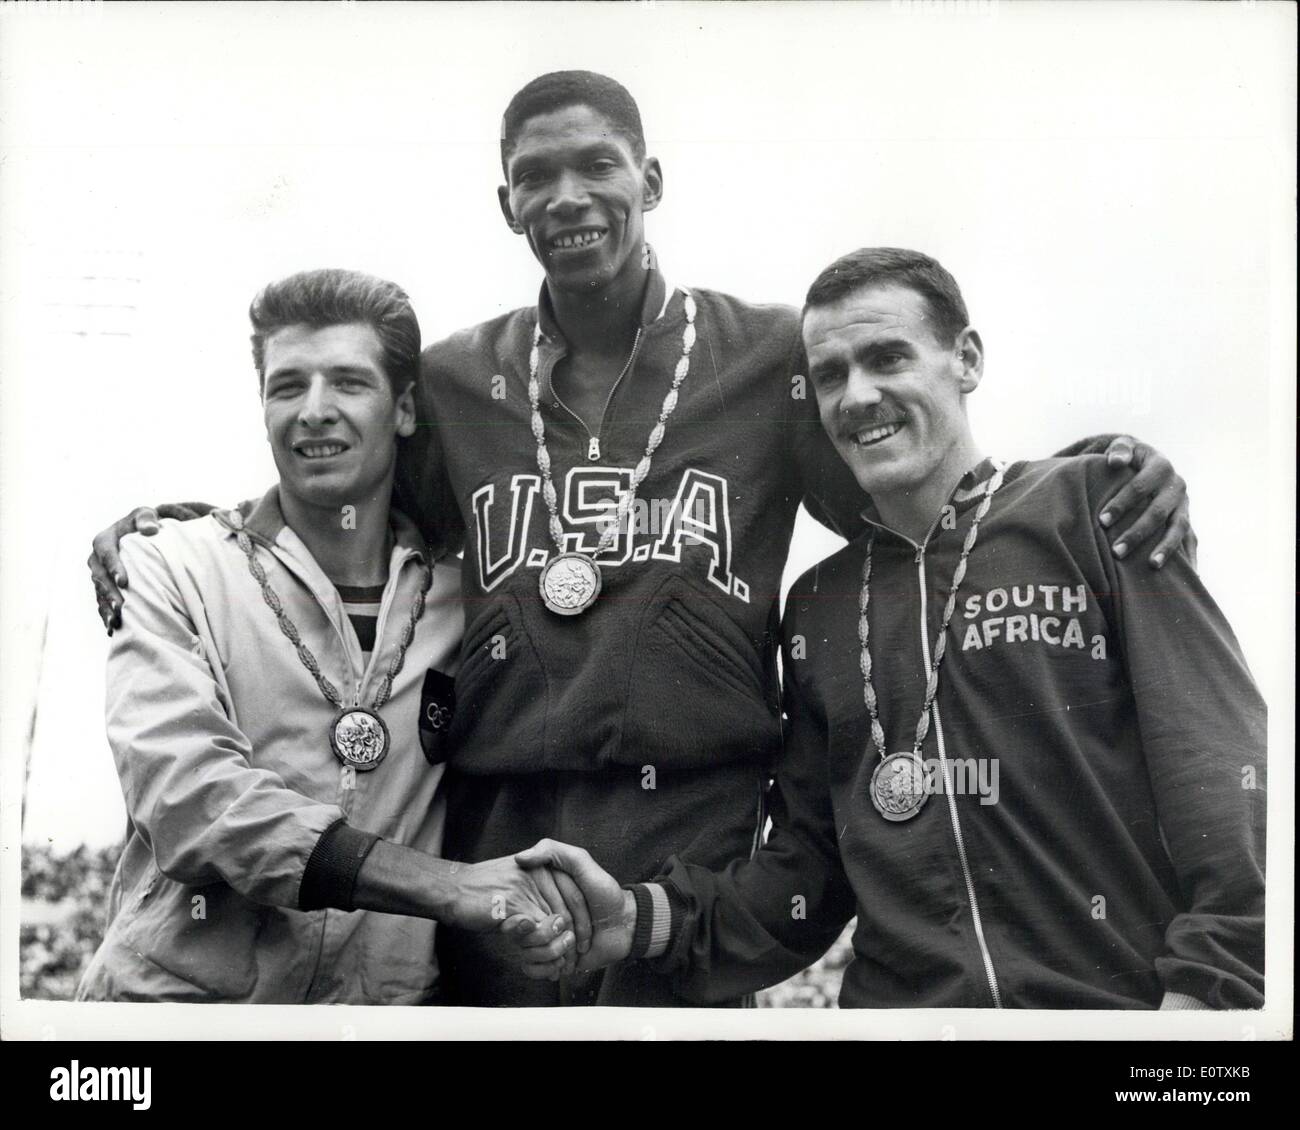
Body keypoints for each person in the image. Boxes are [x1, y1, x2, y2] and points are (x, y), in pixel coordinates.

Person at [88, 74, 1193, 1007]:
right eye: (535, 176)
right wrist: (196, 525)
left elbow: (905, 491)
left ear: (649, 181)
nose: (568, 196)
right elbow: (353, 497)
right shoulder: (463, 378)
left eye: (596, 165)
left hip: (692, 858)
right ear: (505, 202)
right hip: (494, 854)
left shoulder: (770, 357)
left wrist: (1075, 475)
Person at [511, 248, 1266, 1010]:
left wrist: (1210, 994)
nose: (857, 396)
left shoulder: (1097, 509)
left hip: (1113, 1018)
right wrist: (636, 919)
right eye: (831, 375)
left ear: (965, 359)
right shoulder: (817, 605)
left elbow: (1222, 772)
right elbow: (803, 879)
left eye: (886, 359)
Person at [77, 269, 583, 1005]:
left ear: (404, 409)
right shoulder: (165, 565)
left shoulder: (468, 598)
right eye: (287, 387)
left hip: (375, 1019)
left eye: (348, 383)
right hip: (174, 1015)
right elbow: (191, 802)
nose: (314, 411)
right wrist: (449, 888)